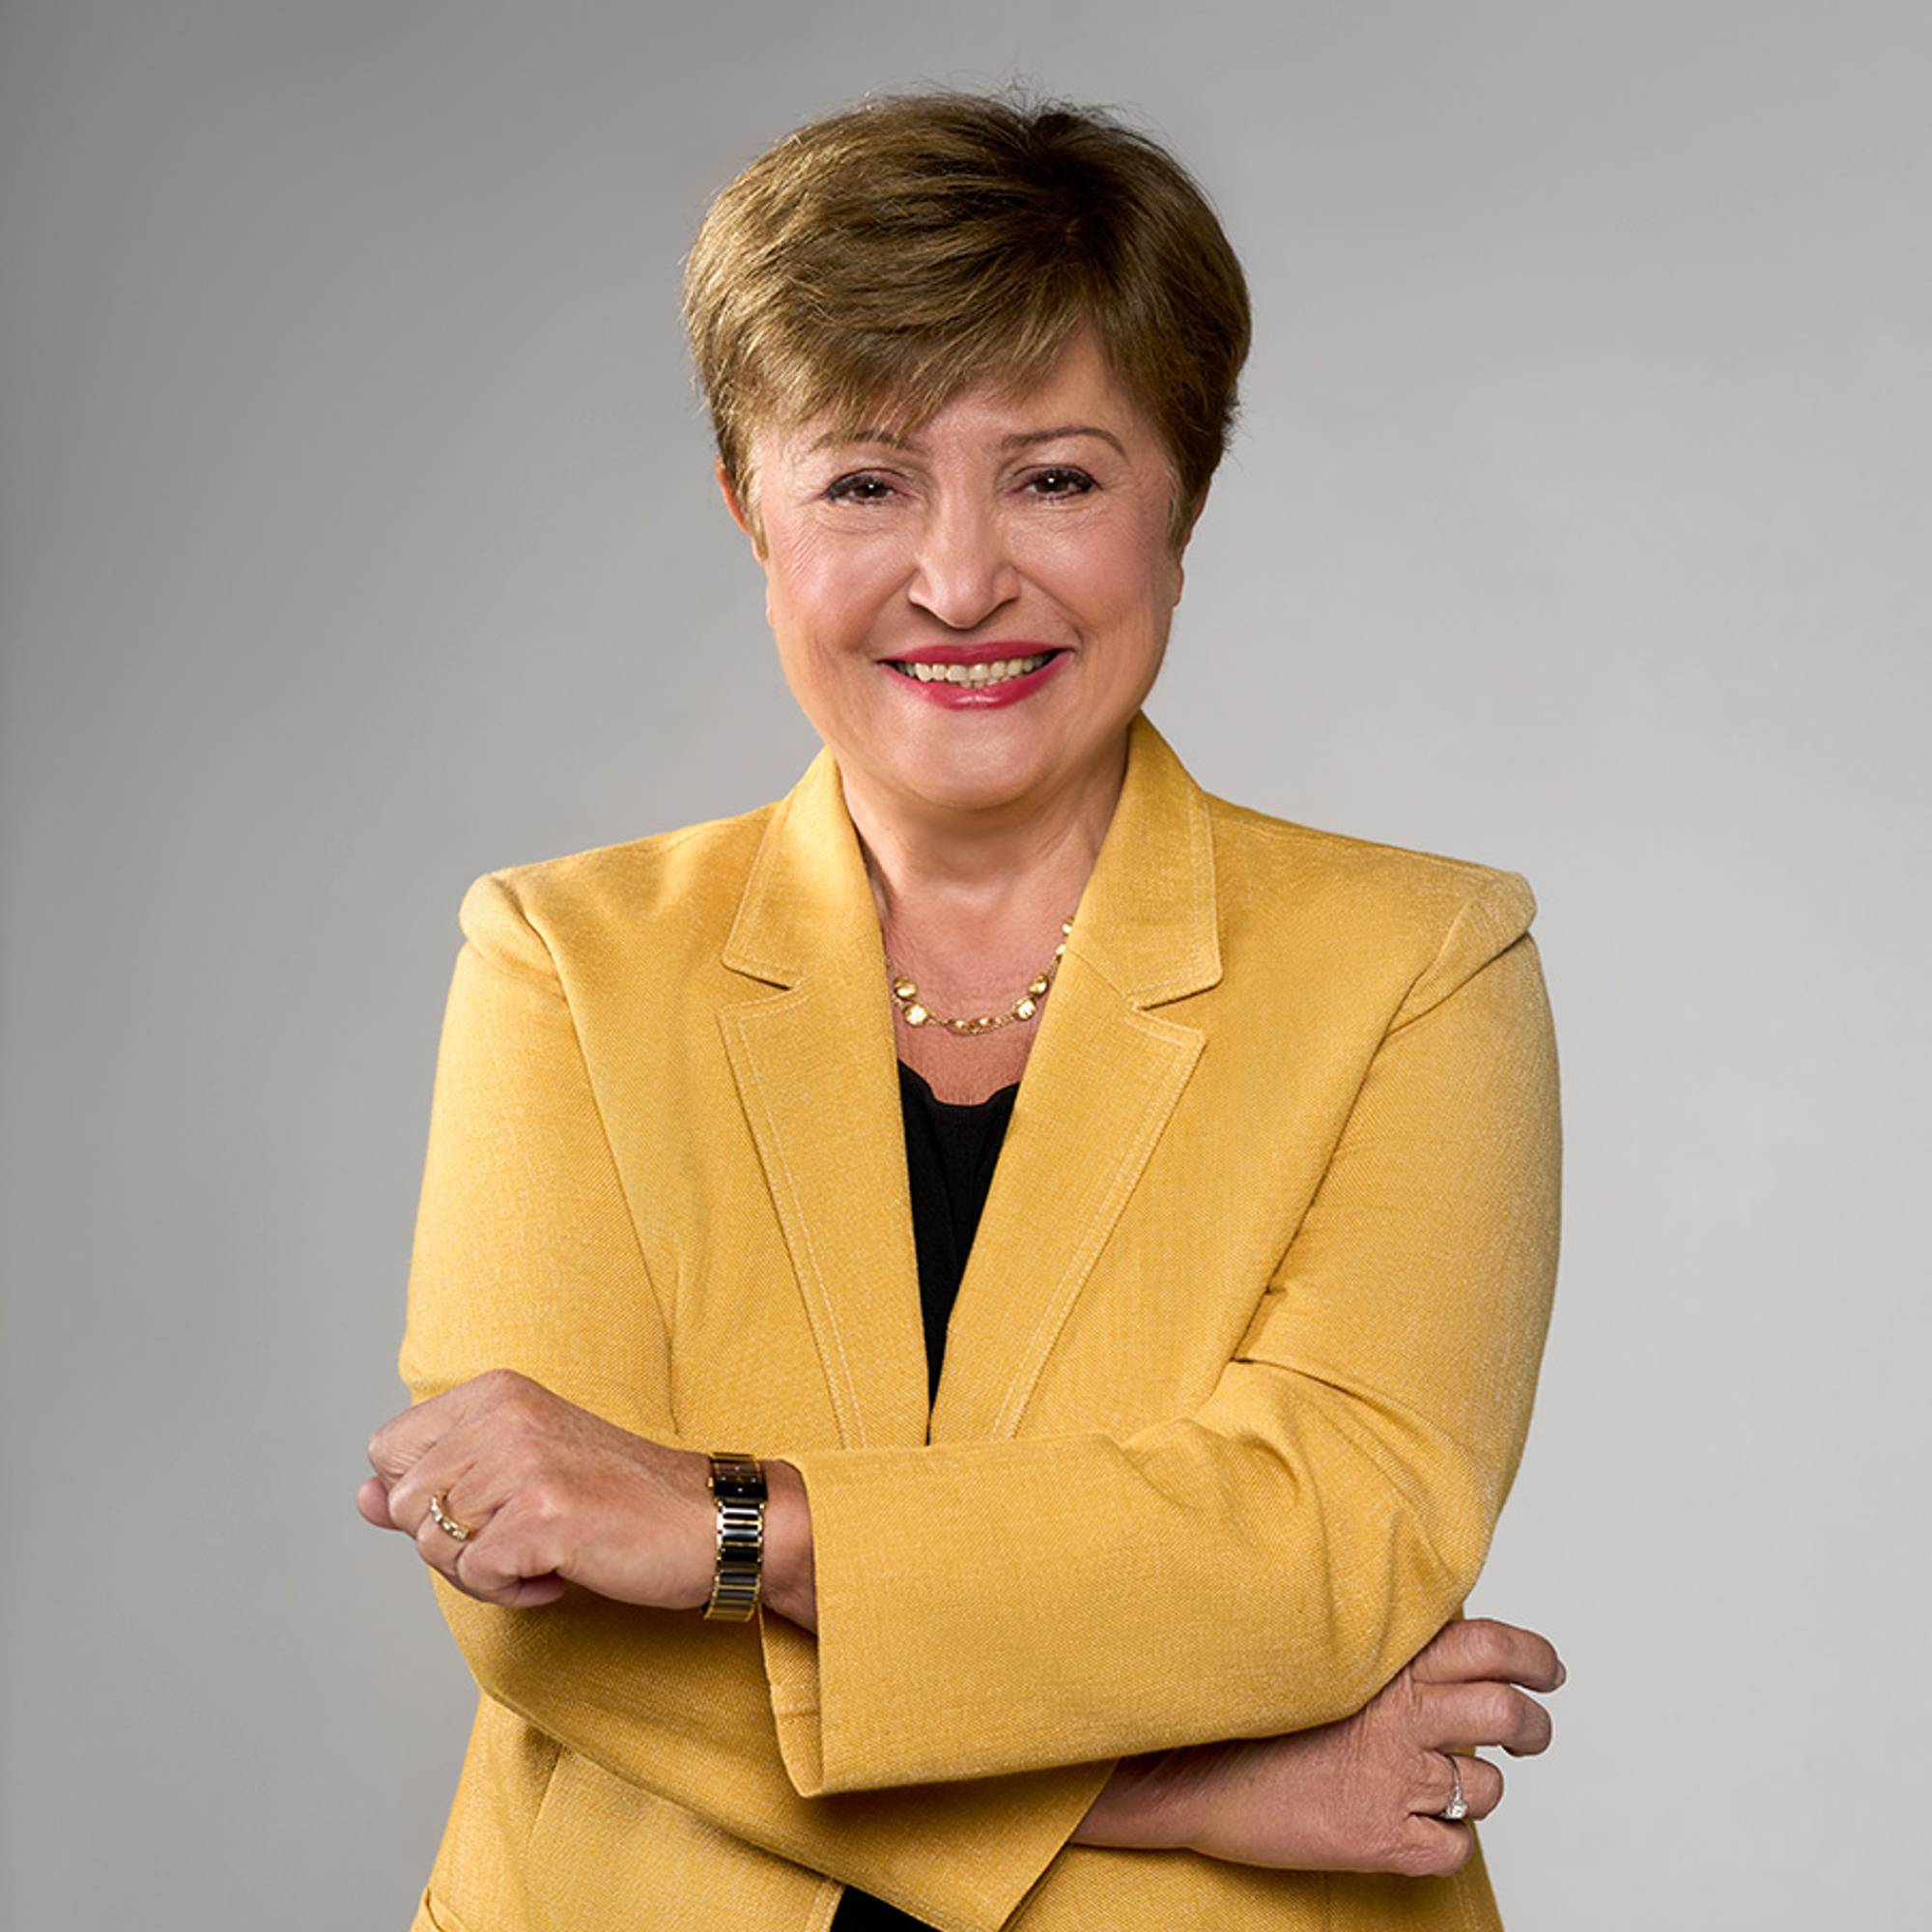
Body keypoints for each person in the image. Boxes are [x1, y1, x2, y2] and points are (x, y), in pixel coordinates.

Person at [359, 88, 1566, 1932]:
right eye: (865, 479)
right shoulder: (565, 961)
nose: (959, 577)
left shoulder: (1418, 962)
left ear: (1185, 496)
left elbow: (1326, 1552)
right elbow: (536, 1626)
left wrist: (726, 1528)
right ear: (748, 516)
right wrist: (1179, 1789)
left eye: (1057, 475)